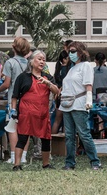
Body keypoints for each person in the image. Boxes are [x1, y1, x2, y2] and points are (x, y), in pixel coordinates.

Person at [11, 50, 60, 170]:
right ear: (31, 61)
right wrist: (13, 110)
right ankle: (17, 164)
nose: (42, 61)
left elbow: (57, 91)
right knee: (22, 138)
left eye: (43, 59)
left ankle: (46, 164)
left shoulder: (47, 77)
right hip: (26, 113)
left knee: (45, 139)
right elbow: (15, 96)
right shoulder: (22, 77)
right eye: (39, 59)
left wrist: (47, 83)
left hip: (42, 114)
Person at [58, 41, 101, 170]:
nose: (70, 54)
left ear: (80, 52)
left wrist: (89, 101)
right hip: (67, 104)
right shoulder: (71, 68)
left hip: (79, 103)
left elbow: (89, 85)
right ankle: (69, 162)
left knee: (83, 133)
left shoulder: (86, 66)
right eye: (69, 52)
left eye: (72, 51)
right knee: (69, 136)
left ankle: (95, 161)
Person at [0, 36, 32, 163]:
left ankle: (13, 156)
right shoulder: (28, 64)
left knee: (12, 128)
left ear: (14, 47)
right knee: (25, 128)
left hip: (13, 99)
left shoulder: (10, 62)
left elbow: (6, 84)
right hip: (27, 99)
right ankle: (24, 156)